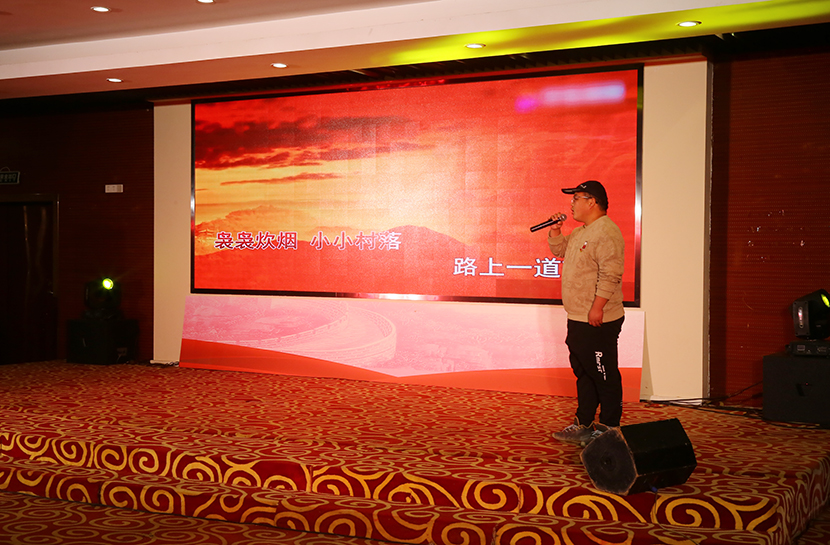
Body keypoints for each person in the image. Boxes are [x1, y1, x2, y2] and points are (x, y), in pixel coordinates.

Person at [547, 180, 625, 447]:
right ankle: (584, 423)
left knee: (604, 374)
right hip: (578, 317)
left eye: (576, 199)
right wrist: (555, 231)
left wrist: (598, 307)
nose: (571, 204)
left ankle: (609, 427)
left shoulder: (607, 232)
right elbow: (561, 251)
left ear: (592, 202)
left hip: (598, 319)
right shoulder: (582, 231)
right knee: (584, 373)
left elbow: (611, 274)